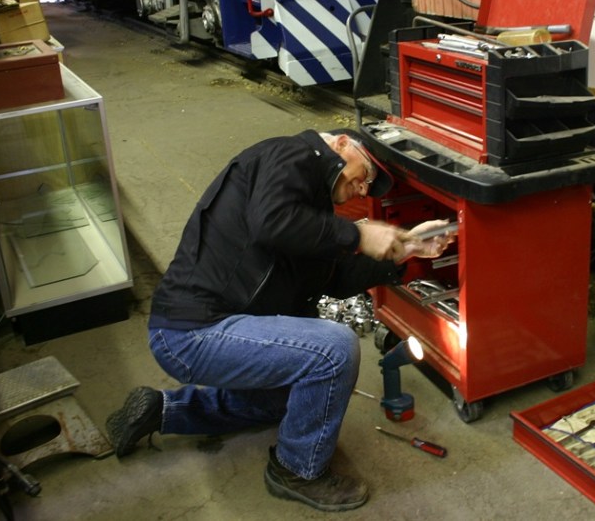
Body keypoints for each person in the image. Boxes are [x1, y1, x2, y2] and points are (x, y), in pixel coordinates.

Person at [105, 128, 450, 512]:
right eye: (365, 174)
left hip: (215, 329)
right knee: (334, 349)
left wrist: (404, 250)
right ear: (340, 145)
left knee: (288, 401)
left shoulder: (311, 210)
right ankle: (297, 469)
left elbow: (333, 280)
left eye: (368, 185)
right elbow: (272, 221)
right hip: (193, 331)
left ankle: (165, 410)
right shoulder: (289, 155)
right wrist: (357, 235)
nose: (364, 189)